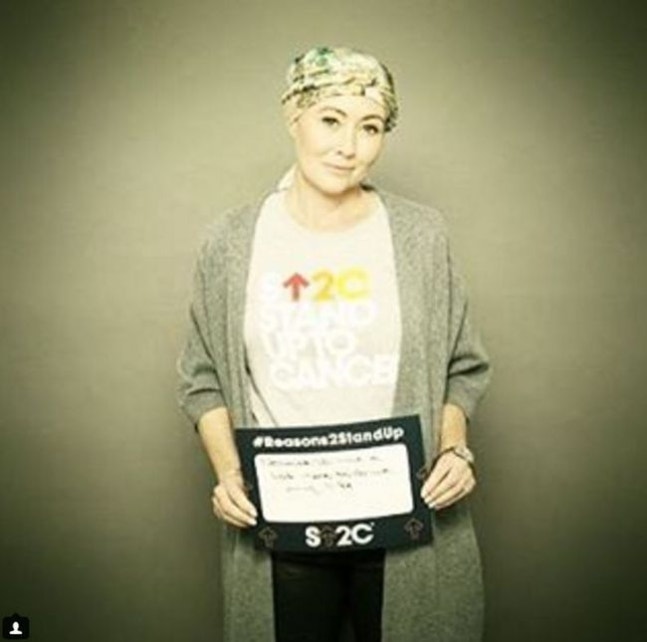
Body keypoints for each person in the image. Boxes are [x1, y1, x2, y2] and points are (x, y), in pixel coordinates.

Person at [177, 45, 492, 642]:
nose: (349, 145)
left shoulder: (420, 235)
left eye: (370, 127)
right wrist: (228, 474)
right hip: (282, 527)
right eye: (330, 119)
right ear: (292, 116)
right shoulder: (232, 241)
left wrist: (455, 451)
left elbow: (463, 364)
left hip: (404, 521)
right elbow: (202, 376)